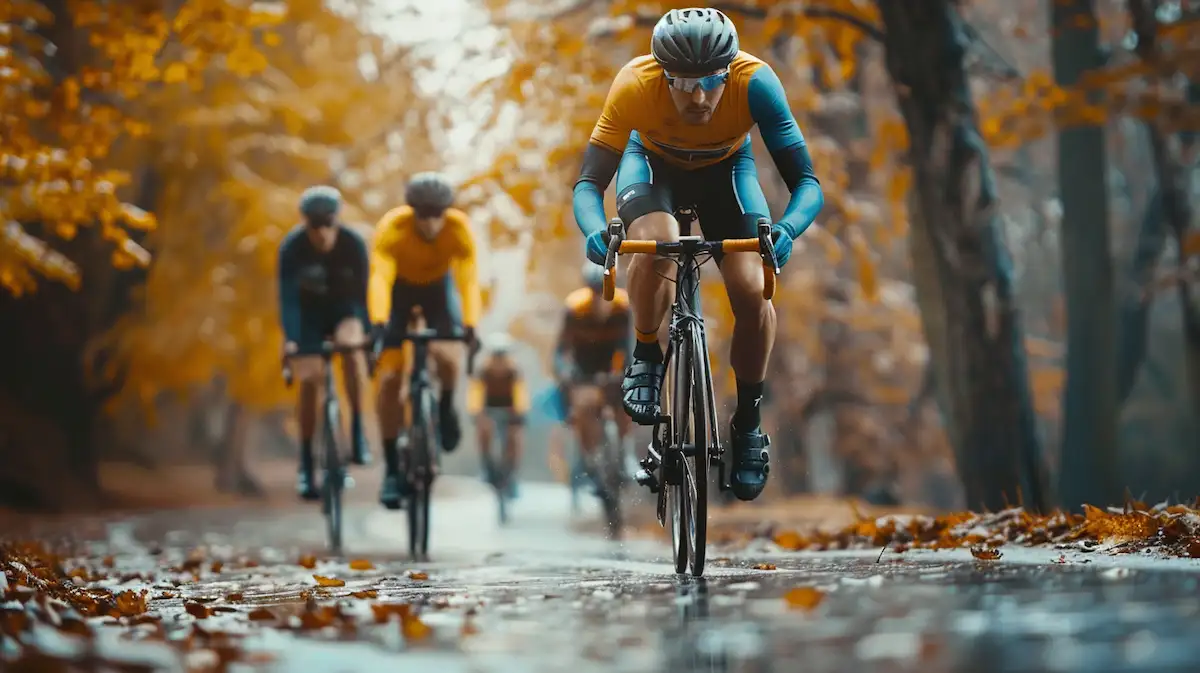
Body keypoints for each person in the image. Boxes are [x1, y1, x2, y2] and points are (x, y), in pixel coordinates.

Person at [571, 8, 825, 501]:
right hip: (651, 168)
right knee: (658, 242)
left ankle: (747, 423)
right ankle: (646, 352)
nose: (700, 96)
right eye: (683, 83)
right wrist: (594, 229)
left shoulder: (756, 83)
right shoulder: (633, 86)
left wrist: (789, 228)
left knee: (752, 291)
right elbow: (588, 184)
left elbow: (807, 183)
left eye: (711, 81)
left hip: (728, 172)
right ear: (662, 74)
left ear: (729, 70)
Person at [369, 172, 481, 509]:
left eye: (438, 214)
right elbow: (379, 275)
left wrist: (471, 323)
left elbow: (468, 278)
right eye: (424, 215)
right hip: (398, 294)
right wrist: (378, 321)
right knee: (388, 380)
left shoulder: (458, 229)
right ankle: (391, 469)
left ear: (446, 212)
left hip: (436, 293)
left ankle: (445, 408)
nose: (432, 223)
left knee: (448, 356)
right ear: (412, 212)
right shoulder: (392, 228)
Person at [277, 185, 372, 501]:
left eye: (327, 224)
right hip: (308, 319)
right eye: (313, 226)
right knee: (309, 378)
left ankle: (358, 431)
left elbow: (365, 295)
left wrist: (368, 333)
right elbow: (288, 300)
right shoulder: (292, 248)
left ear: (337, 221)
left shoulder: (353, 244)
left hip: (345, 312)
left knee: (351, 348)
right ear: (305, 223)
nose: (321, 233)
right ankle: (306, 463)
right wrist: (291, 339)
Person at [554, 263, 634, 483]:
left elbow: (630, 345)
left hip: (612, 363)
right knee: (582, 405)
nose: (600, 297)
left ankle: (626, 452)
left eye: (604, 290)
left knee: (626, 400)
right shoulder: (575, 307)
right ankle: (590, 456)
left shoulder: (623, 306)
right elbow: (561, 350)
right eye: (595, 291)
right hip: (584, 365)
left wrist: (629, 371)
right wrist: (565, 371)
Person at [466, 332, 528, 497]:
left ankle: (512, 474)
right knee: (483, 431)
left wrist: (520, 413)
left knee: (515, 438)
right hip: (489, 409)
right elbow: (475, 394)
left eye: (502, 355)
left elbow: (520, 394)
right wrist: (476, 413)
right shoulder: (483, 372)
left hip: (509, 410)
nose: (499, 360)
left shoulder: (514, 372)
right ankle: (486, 465)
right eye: (496, 355)